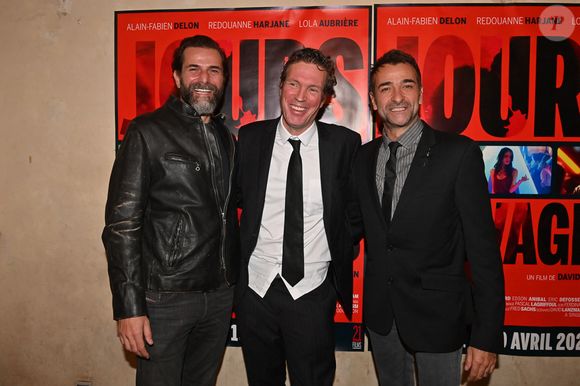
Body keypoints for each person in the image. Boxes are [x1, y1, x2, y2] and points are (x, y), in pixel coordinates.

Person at [351, 49, 505, 385]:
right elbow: (352, 227)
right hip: (382, 316)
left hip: (439, 316)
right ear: (374, 102)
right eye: (385, 88)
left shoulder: (458, 154)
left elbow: (484, 253)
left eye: (406, 86)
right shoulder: (362, 158)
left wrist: (486, 336)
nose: (397, 97)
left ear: (420, 94)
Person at [102, 35, 239, 386]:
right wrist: (130, 307)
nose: (205, 79)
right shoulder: (148, 131)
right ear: (177, 77)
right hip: (165, 297)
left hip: (220, 295)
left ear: (224, 79)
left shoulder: (228, 136)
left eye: (214, 70)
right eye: (194, 69)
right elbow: (121, 224)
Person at [235, 48, 360, 386]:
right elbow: (233, 203)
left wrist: (329, 261)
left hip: (312, 294)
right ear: (281, 86)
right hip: (255, 292)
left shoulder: (345, 144)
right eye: (294, 84)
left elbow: (355, 214)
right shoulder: (249, 139)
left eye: (313, 89)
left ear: (324, 99)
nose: (300, 97)